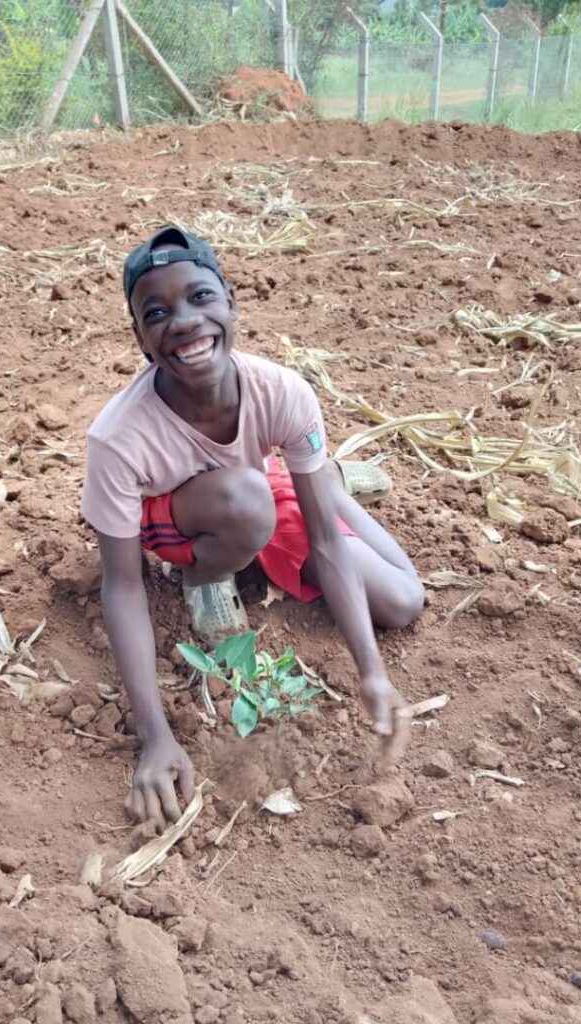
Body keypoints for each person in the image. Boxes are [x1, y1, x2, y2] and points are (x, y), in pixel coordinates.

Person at [81, 227, 424, 829]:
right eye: (156, 312)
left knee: (401, 600)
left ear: (230, 302)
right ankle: (209, 575)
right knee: (248, 502)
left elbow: (324, 542)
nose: (183, 322)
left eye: (199, 298)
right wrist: (155, 737)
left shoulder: (283, 392)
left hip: (257, 490)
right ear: (139, 337)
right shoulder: (118, 437)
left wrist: (371, 672)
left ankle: (327, 481)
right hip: (178, 518)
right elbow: (124, 585)